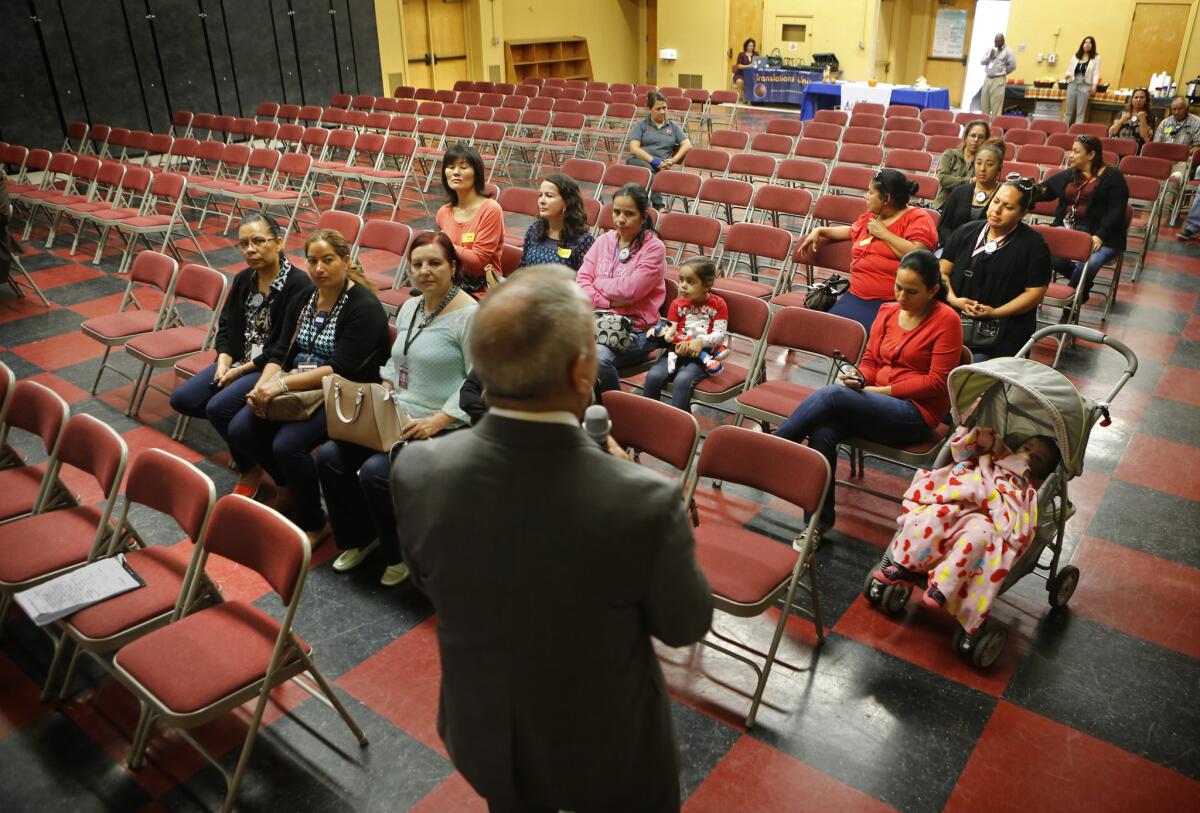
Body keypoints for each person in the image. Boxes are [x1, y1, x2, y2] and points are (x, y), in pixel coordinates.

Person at [391, 265, 713, 813]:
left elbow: (429, 578)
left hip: (488, 730)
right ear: (583, 369)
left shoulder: (416, 469)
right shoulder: (643, 501)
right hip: (607, 751)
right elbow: (685, 625)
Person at [318, 232, 475, 587]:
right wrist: (386, 388)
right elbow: (394, 362)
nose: (425, 271)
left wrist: (437, 421)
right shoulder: (409, 307)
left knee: (376, 472)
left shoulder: (470, 317)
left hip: (444, 425)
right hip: (396, 415)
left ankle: (399, 553)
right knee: (329, 457)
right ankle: (360, 538)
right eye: (417, 264)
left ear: (452, 266)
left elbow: (478, 382)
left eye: (434, 263)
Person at [774, 250, 963, 535]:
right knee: (823, 431)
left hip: (915, 414)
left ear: (933, 290)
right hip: (876, 402)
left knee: (832, 396)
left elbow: (937, 382)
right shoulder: (887, 311)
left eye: (911, 291)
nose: (901, 296)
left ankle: (776, 446)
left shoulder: (946, 320)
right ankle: (817, 522)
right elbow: (872, 361)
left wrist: (879, 390)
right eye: (897, 287)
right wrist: (859, 377)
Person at [227, 228, 390, 544]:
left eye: (328, 260)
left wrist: (281, 386)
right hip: (297, 384)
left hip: (342, 391)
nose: (319, 269)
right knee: (240, 429)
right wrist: (262, 386)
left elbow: (340, 368)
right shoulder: (306, 297)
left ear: (345, 261)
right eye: (313, 261)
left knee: (287, 446)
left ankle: (314, 520)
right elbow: (279, 351)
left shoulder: (363, 306)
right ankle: (288, 486)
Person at [170, 213, 313, 496]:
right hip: (236, 360)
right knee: (183, 399)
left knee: (219, 408)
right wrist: (223, 363)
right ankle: (253, 434)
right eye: (244, 243)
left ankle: (255, 468)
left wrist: (240, 371)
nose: (251, 249)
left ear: (278, 242)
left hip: (269, 366)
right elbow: (226, 327)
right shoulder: (244, 279)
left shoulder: (299, 286)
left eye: (259, 241)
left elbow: (284, 348)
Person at [873, 425, 1060, 636]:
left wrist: (1011, 491)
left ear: (1043, 474)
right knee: (933, 517)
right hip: (962, 497)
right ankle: (905, 565)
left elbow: (1020, 513)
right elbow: (967, 450)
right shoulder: (997, 454)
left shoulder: (1029, 486)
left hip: (988, 517)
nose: (1029, 454)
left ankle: (944, 587)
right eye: (1027, 447)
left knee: (979, 537)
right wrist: (980, 439)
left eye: (1038, 459)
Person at [796, 169, 937, 332]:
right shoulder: (872, 216)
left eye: (870, 192)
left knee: (863, 339)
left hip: (891, 302)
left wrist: (884, 234)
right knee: (831, 331)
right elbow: (850, 231)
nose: (866, 196)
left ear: (887, 199)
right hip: (855, 295)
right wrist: (820, 230)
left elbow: (918, 256)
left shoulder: (918, 218)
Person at [941, 175, 1051, 360]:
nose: (996, 210)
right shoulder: (965, 231)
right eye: (996, 201)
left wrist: (995, 313)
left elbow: (1035, 294)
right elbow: (942, 271)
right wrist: (953, 299)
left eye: (1008, 207)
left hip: (1003, 329)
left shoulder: (1035, 245)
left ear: (1023, 214)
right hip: (955, 318)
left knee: (970, 368)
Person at [577, 183, 667, 393]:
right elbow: (581, 283)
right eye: (617, 212)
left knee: (596, 359)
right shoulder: (603, 241)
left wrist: (597, 282)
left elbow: (629, 291)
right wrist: (608, 300)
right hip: (596, 319)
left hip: (637, 329)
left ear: (643, 218)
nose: (620, 219)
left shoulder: (654, 248)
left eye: (629, 214)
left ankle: (615, 415)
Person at [1037, 134, 1129, 303]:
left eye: (1076, 151)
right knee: (1046, 251)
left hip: (1104, 236)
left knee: (1088, 264)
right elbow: (1045, 191)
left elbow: (1117, 210)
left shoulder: (1113, 177)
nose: (1070, 155)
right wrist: (1024, 190)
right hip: (1069, 229)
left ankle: (1070, 302)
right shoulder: (1071, 174)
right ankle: (1081, 289)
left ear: (1091, 155)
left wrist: (1100, 235)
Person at [641, 257, 729, 412]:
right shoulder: (676, 304)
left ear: (707, 285)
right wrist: (670, 340)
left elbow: (720, 335)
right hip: (676, 351)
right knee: (653, 376)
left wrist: (701, 341)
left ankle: (680, 427)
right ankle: (649, 417)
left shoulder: (719, 304)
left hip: (701, 355)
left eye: (690, 281)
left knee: (682, 381)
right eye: (681, 280)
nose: (683, 286)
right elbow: (670, 331)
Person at [435, 143, 504, 294]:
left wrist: (444, 244)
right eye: (450, 167)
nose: (456, 172)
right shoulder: (443, 212)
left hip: (480, 290)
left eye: (463, 167)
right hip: (448, 284)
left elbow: (477, 263)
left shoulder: (490, 210)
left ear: (476, 173)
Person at [517, 173, 595, 272]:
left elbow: (585, 280)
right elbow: (522, 269)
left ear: (567, 202)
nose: (542, 201)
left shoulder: (583, 240)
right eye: (540, 195)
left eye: (549, 196)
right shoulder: (534, 230)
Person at [627, 91, 692, 209]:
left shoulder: (672, 126)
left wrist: (673, 160)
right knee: (648, 172)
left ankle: (640, 207)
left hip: (662, 165)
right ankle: (658, 206)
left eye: (664, 108)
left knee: (653, 173)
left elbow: (687, 144)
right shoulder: (641, 125)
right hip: (640, 161)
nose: (662, 112)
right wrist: (654, 161)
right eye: (658, 109)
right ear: (649, 109)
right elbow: (634, 149)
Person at [938, 141, 1004, 247]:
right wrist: (953, 246)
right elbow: (943, 226)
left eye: (989, 164)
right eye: (978, 163)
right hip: (952, 249)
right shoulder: (959, 192)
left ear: (999, 167)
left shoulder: (1004, 196)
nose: (982, 169)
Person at [1153, 95, 1200, 216]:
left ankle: (1169, 206)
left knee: (1177, 176)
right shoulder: (1165, 123)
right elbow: (1156, 144)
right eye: (1173, 109)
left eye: (1179, 109)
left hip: (1184, 160)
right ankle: (1153, 204)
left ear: (1187, 109)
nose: (1176, 112)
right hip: (1164, 159)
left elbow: (1198, 147)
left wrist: (1179, 154)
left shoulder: (1196, 122)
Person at [934, 120, 992, 209]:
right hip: (942, 206)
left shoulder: (985, 163)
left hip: (967, 209)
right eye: (973, 136)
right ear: (965, 137)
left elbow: (980, 187)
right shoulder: (950, 154)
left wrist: (955, 181)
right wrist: (970, 181)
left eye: (981, 137)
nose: (976, 140)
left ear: (986, 141)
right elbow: (943, 179)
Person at [1063, 36, 1100, 126]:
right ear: (1082, 44)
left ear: (1092, 45)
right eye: (1085, 42)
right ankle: (1063, 130)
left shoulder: (1096, 57)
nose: (1087, 44)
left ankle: (1077, 133)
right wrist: (1067, 75)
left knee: (1080, 112)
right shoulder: (1076, 56)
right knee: (1068, 111)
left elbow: (1096, 72)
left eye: (1090, 43)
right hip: (1073, 84)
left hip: (1085, 85)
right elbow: (1069, 69)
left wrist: (1094, 85)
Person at [980, 33, 1016, 119]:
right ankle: (984, 126)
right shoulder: (990, 50)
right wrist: (989, 56)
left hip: (998, 80)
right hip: (988, 79)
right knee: (984, 105)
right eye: (995, 41)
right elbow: (982, 62)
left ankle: (994, 128)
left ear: (1003, 41)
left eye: (998, 41)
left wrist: (1003, 72)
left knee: (996, 107)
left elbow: (1012, 66)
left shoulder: (1008, 51)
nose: (996, 43)